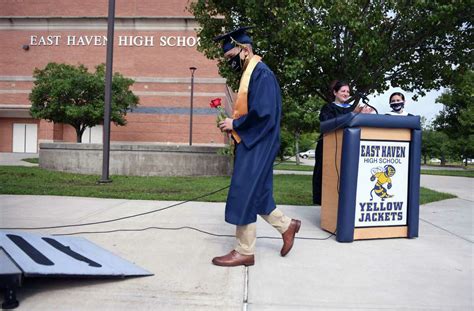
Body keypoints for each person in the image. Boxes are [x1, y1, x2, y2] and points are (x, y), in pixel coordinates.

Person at [212, 27, 301, 267]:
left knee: (244, 192)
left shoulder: (261, 74)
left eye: (231, 57)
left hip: (258, 143)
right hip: (256, 141)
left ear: (244, 49)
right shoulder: (253, 74)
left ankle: (244, 250)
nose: (230, 62)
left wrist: (236, 124)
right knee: (259, 194)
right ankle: (287, 225)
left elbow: (264, 114)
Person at [312, 80, 374, 205]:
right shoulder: (328, 108)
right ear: (335, 92)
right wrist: (355, 114)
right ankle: (326, 205)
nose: (346, 94)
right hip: (328, 147)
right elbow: (327, 123)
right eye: (343, 91)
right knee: (326, 175)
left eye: (348, 92)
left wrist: (364, 116)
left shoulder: (352, 109)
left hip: (348, 147)